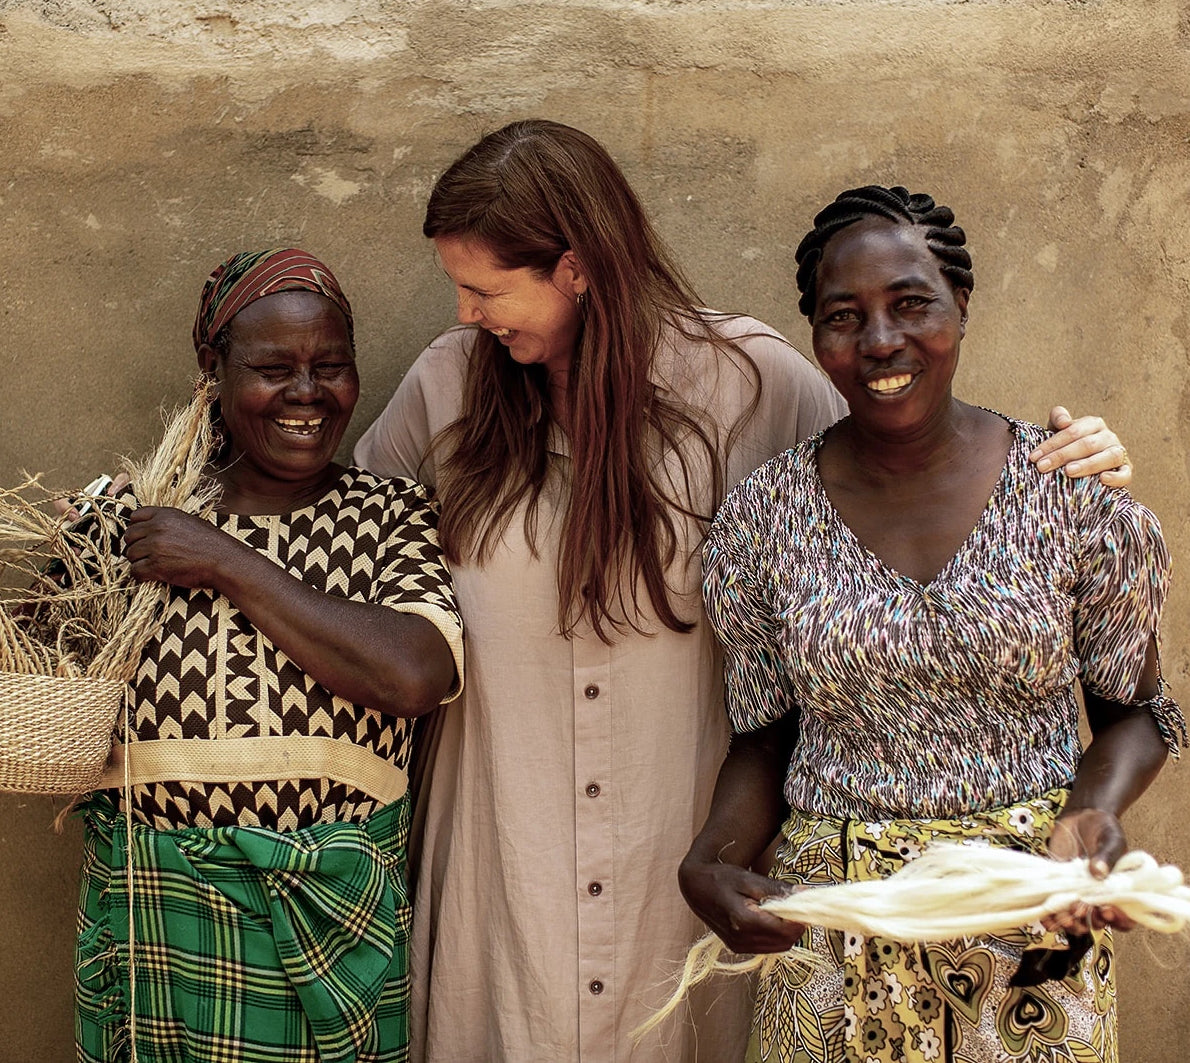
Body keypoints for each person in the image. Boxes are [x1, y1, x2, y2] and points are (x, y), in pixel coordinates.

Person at [353, 121, 1135, 1063]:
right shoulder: (447, 387)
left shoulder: (745, 381)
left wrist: (1068, 460)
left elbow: (896, 440)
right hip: (501, 864)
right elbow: (354, 540)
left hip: (679, 869)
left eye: (485, 288)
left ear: (573, 269)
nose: (468, 313)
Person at [679, 186, 1183, 1063]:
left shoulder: (1070, 499)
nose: (880, 341)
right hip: (839, 929)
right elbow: (765, 738)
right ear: (817, 338)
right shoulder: (762, 519)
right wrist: (713, 857)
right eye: (846, 316)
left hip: (1028, 912)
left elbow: (1136, 712)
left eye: (911, 303)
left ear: (961, 306)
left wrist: (1088, 818)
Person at [72, 248, 464, 1063]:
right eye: (272, 367)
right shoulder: (128, 521)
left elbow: (415, 674)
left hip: (336, 935)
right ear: (211, 372)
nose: (308, 393)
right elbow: (45, 713)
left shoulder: (388, 514)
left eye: (331, 366)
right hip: (155, 935)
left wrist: (223, 560)